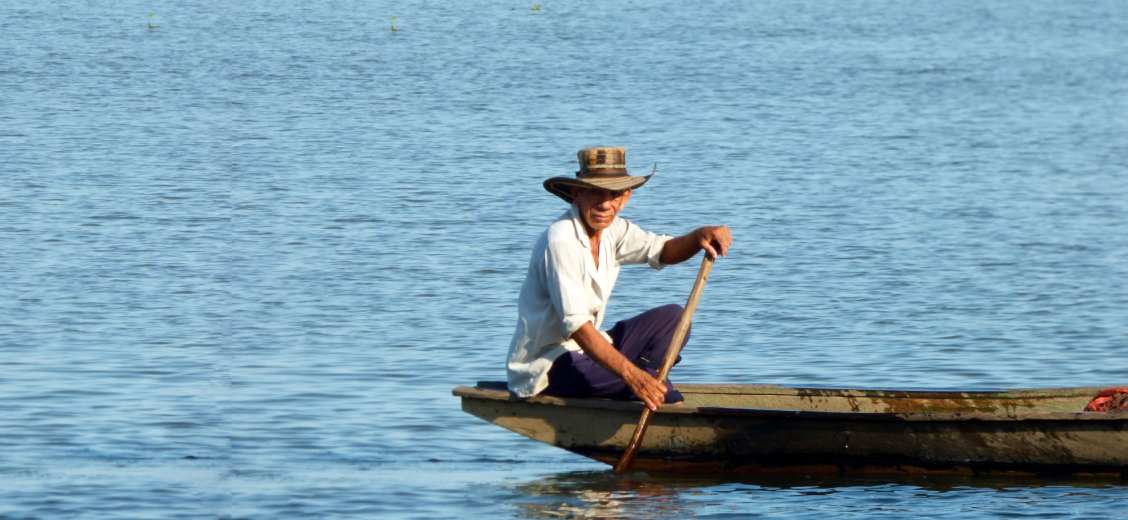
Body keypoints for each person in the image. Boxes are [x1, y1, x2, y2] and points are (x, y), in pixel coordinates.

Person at [507, 146, 732, 411]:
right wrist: (632, 376)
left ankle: (647, 381)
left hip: (589, 351)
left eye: (613, 194)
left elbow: (663, 251)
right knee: (667, 394)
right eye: (595, 193)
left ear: (625, 197)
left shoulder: (614, 230)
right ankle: (646, 384)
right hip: (549, 367)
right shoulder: (560, 240)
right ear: (576, 194)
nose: (605, 204)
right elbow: (579, 329)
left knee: (674, 318)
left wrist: (698, 237)